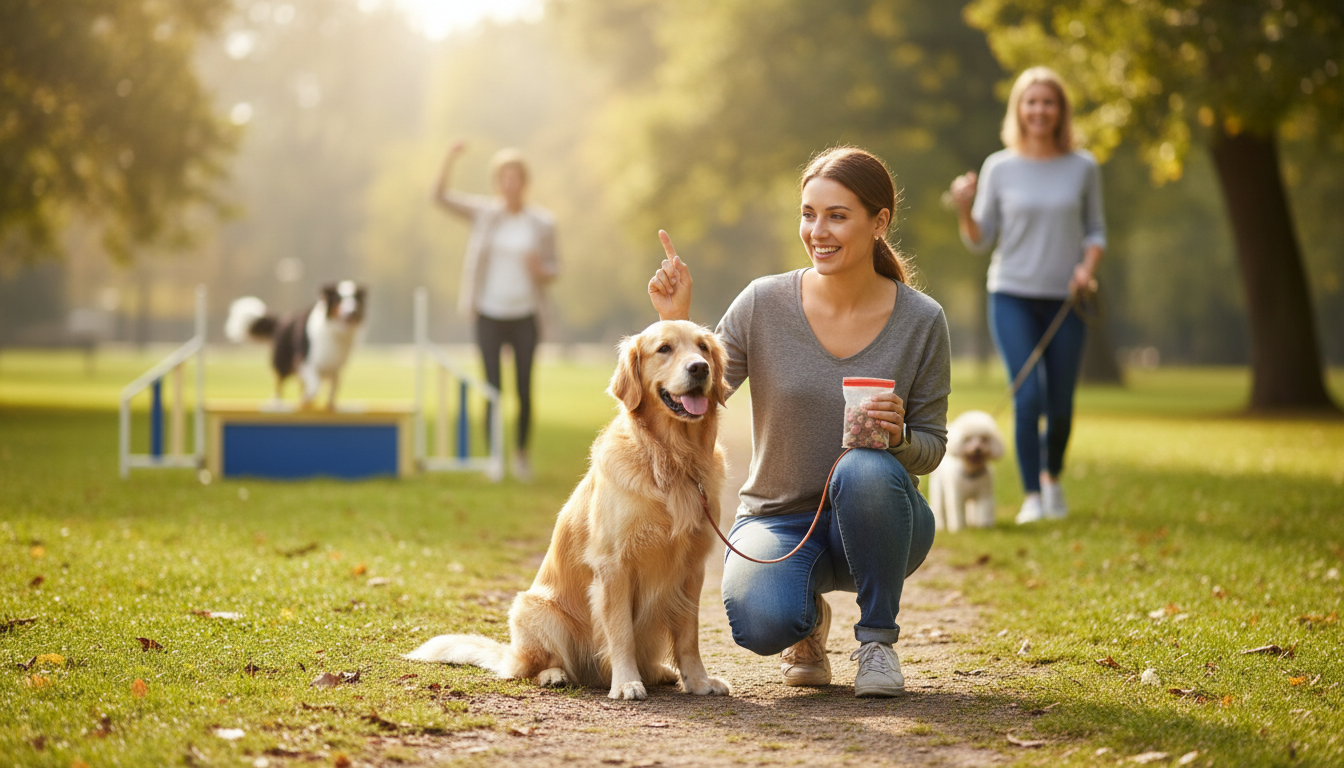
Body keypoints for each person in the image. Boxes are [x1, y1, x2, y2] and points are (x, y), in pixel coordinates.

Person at [647, 147, 950, 698]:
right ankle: (804, 622)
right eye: (809, 214)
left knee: (865, 470)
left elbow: (933, 446)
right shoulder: (763, 303)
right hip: (778, 519)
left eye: (838, 215)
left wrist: (900, 438)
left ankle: (877, 643)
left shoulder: (922, 320)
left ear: (880, 222)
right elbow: (698, 394)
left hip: (883, 518)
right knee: (760, 621)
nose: (818, 230)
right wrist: (677, 322)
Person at [949, 66, 1106, 525]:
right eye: (1031, 102)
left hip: (1066, 299)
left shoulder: (1084, 166)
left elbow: (1096, 229)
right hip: (1011, 293)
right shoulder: (999, 166)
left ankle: (1053, 478)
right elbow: (980, 238)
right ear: (1019, 109)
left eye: (1048, 102)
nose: (1039, 110)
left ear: (1060, 111)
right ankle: (1033, 494)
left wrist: (1086, 268)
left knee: (1059, 404)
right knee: (1028, 396)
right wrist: (964, 208)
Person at [434, 141, 559, 481]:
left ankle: (520, 456)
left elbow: (554, 270)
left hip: (525, 315)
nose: (510, 183)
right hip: (488, 312)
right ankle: (493, 458)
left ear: (524, 182)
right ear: (497, 182)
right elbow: (440, 197)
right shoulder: (485, 214)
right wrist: (449, 159)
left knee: (523, 388)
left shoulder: (542, 223)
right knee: (491, 387)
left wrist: (540, 270)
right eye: (503, 177)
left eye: (515, 177)